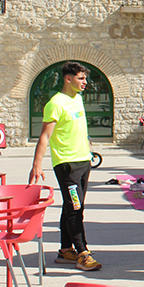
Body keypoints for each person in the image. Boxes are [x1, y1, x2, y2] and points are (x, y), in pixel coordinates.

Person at [29, 61, 101, 271]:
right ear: (68, 79)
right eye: (81, 78)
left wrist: (86, 143)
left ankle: (64, 250)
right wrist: (37, 164)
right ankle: (82, 252)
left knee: (73, 206)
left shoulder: (77, 99)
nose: (85, 82)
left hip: (83, 161)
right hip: (66, 165)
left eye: (85, 78)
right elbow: (45, 135)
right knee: (75, 208)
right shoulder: (55, 103)